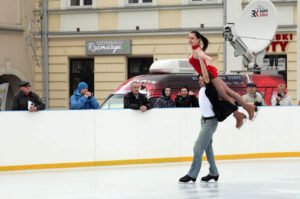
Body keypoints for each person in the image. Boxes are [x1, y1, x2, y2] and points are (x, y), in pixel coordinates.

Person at [188, 30, 256, 120]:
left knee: (225, 96)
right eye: (189, 38)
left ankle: (240, 112)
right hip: (210, 73)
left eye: (192, 38)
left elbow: (202, 55)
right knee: (228, 92)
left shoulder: (197, 51)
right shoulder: (195, 50)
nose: (190, 40)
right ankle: (245, 108)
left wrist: (208, 58)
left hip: (209, 76)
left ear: (198, 40)